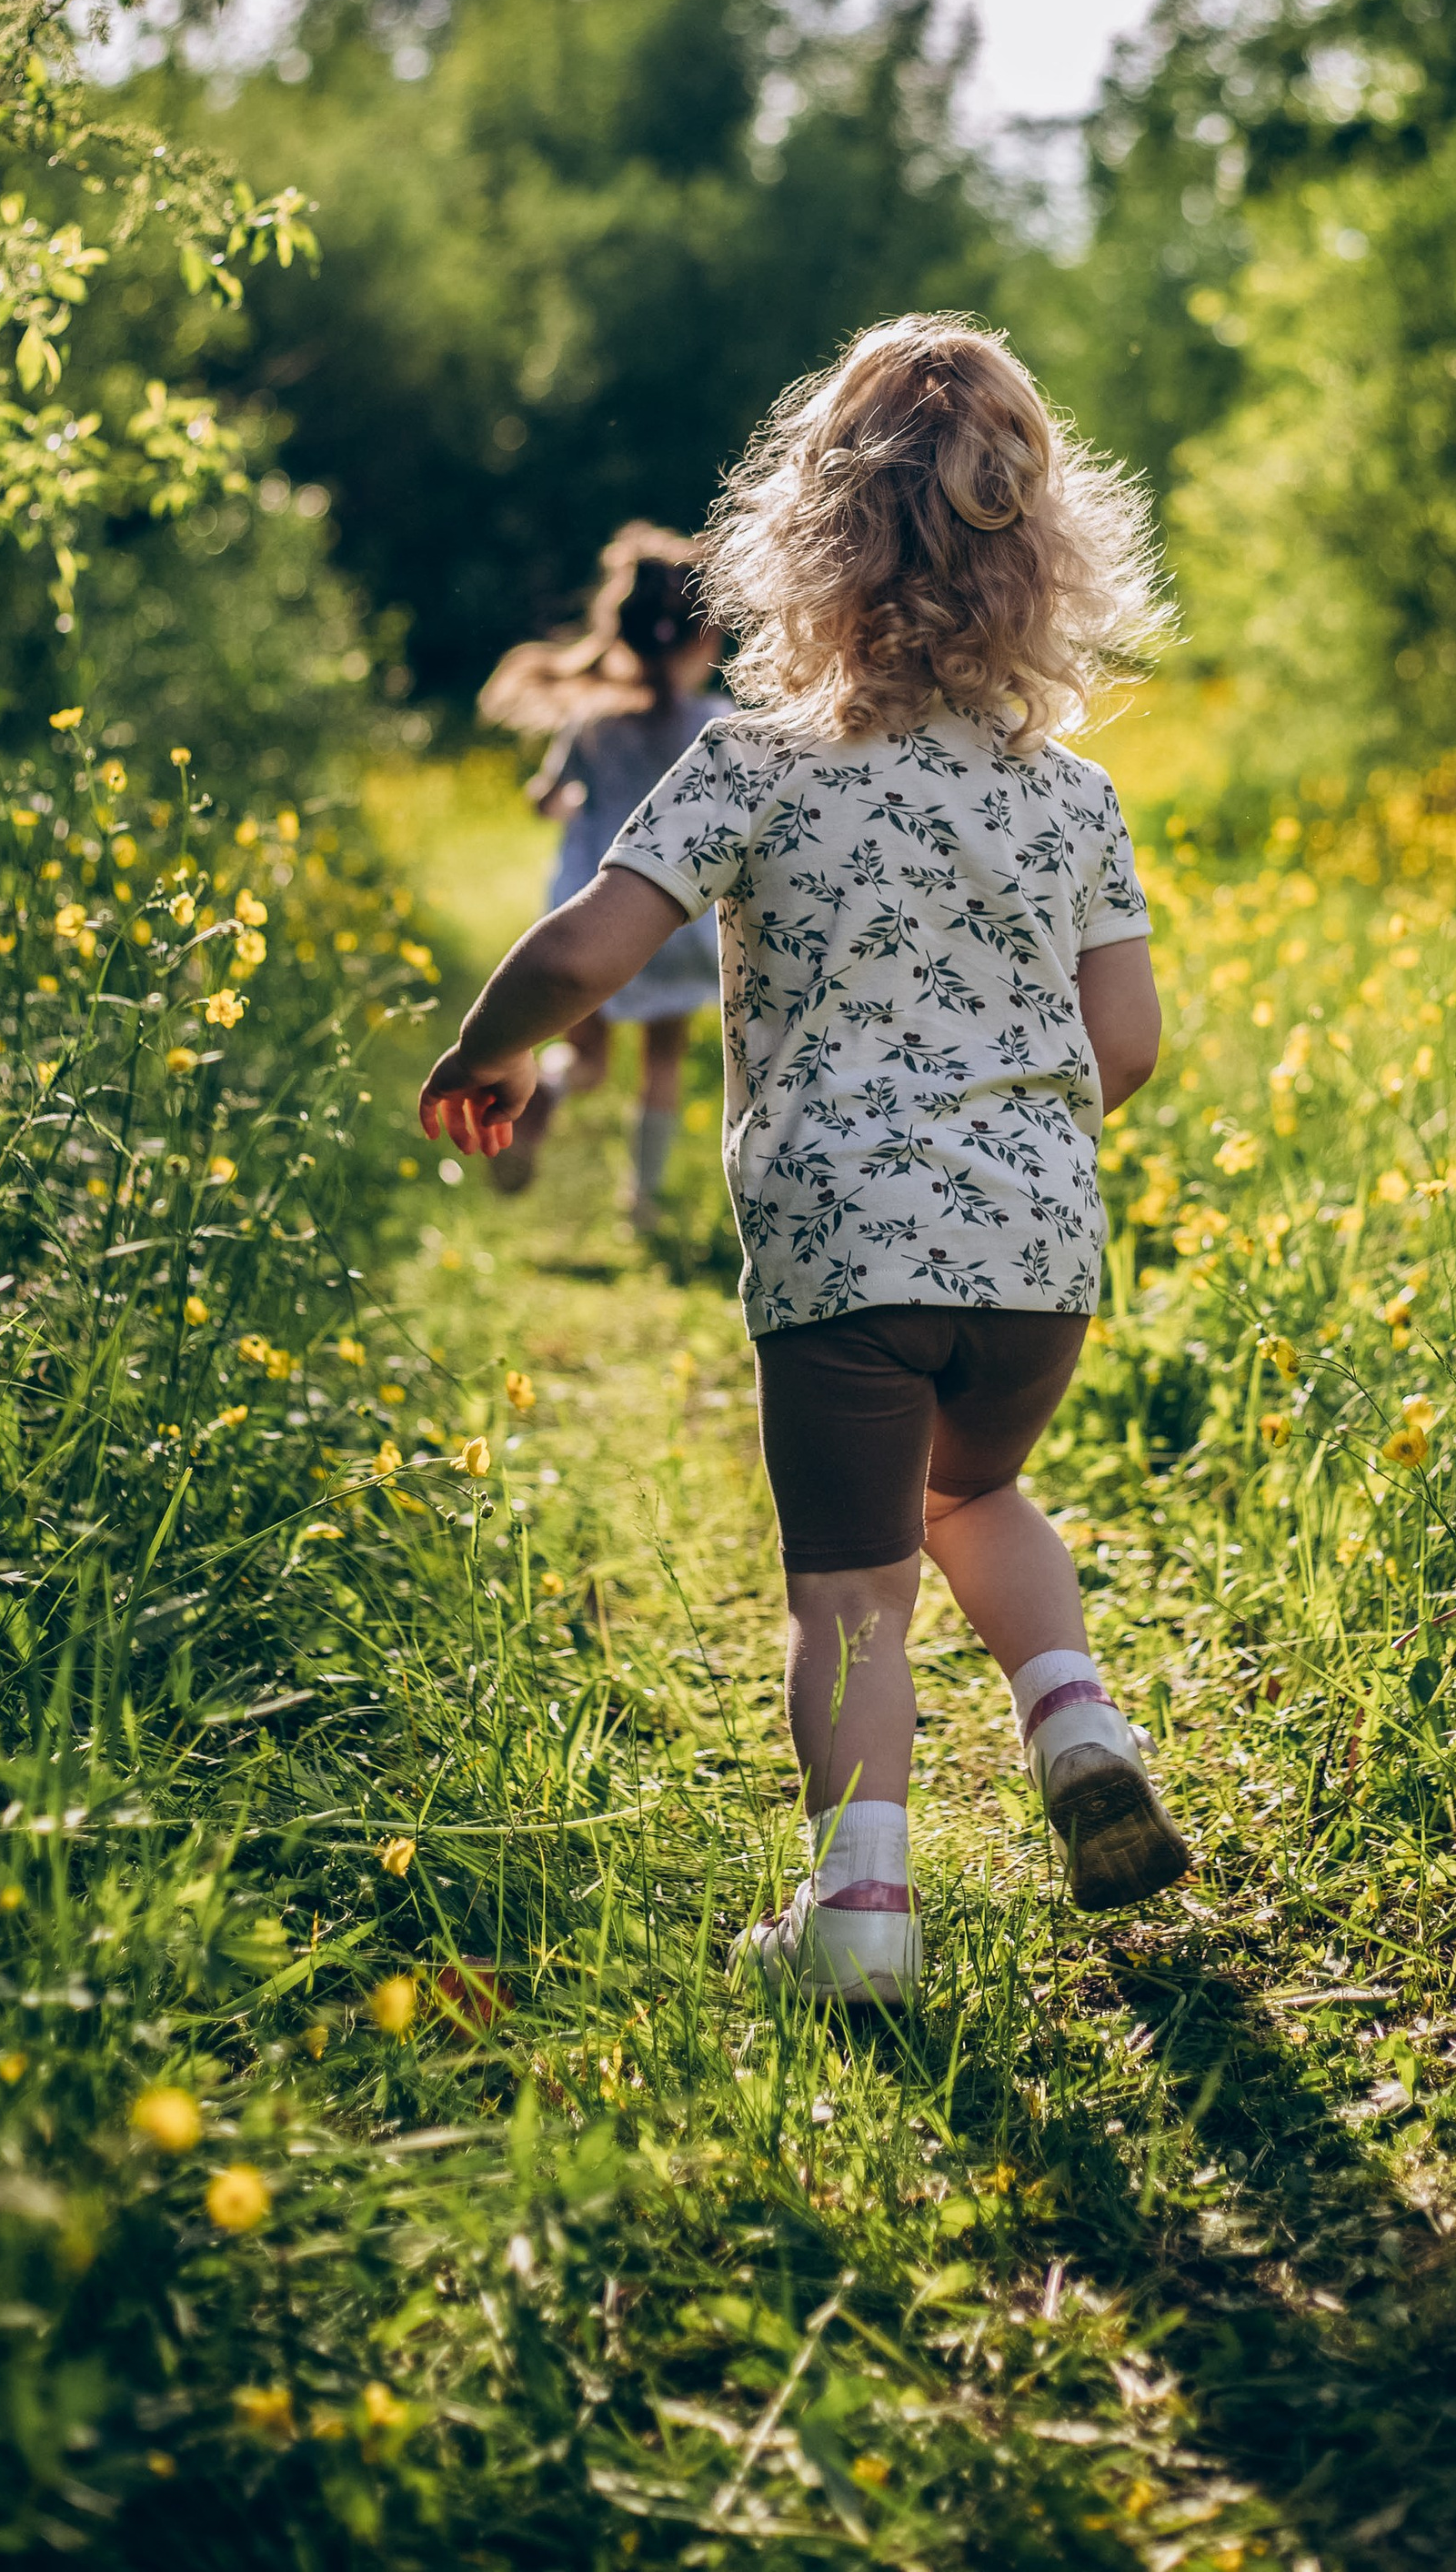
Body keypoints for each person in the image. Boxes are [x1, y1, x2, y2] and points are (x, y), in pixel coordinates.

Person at [421, 319, 1184, 2003]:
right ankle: (1076, 1724)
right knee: (973, 1494)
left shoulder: (753, 765)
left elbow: (584, 950)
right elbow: (1124, 1046)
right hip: (1038, 1253)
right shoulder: (1073, 799)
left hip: (842, 1250)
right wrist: (1004, 1146)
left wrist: (491, 1054)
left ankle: (857, 1915)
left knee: (850, 1591)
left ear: (805, 546)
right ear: (1047, 560)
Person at [476, 524, 727, 1230]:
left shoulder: (592, 722)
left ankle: (549, 1092)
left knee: (585, 1056)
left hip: (594, 917)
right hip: (676, 921)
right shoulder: (714, 725)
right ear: (704, 639)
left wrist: (566, 804)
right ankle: (641, 1200)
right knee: (662, 1061)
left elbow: (547, 797)